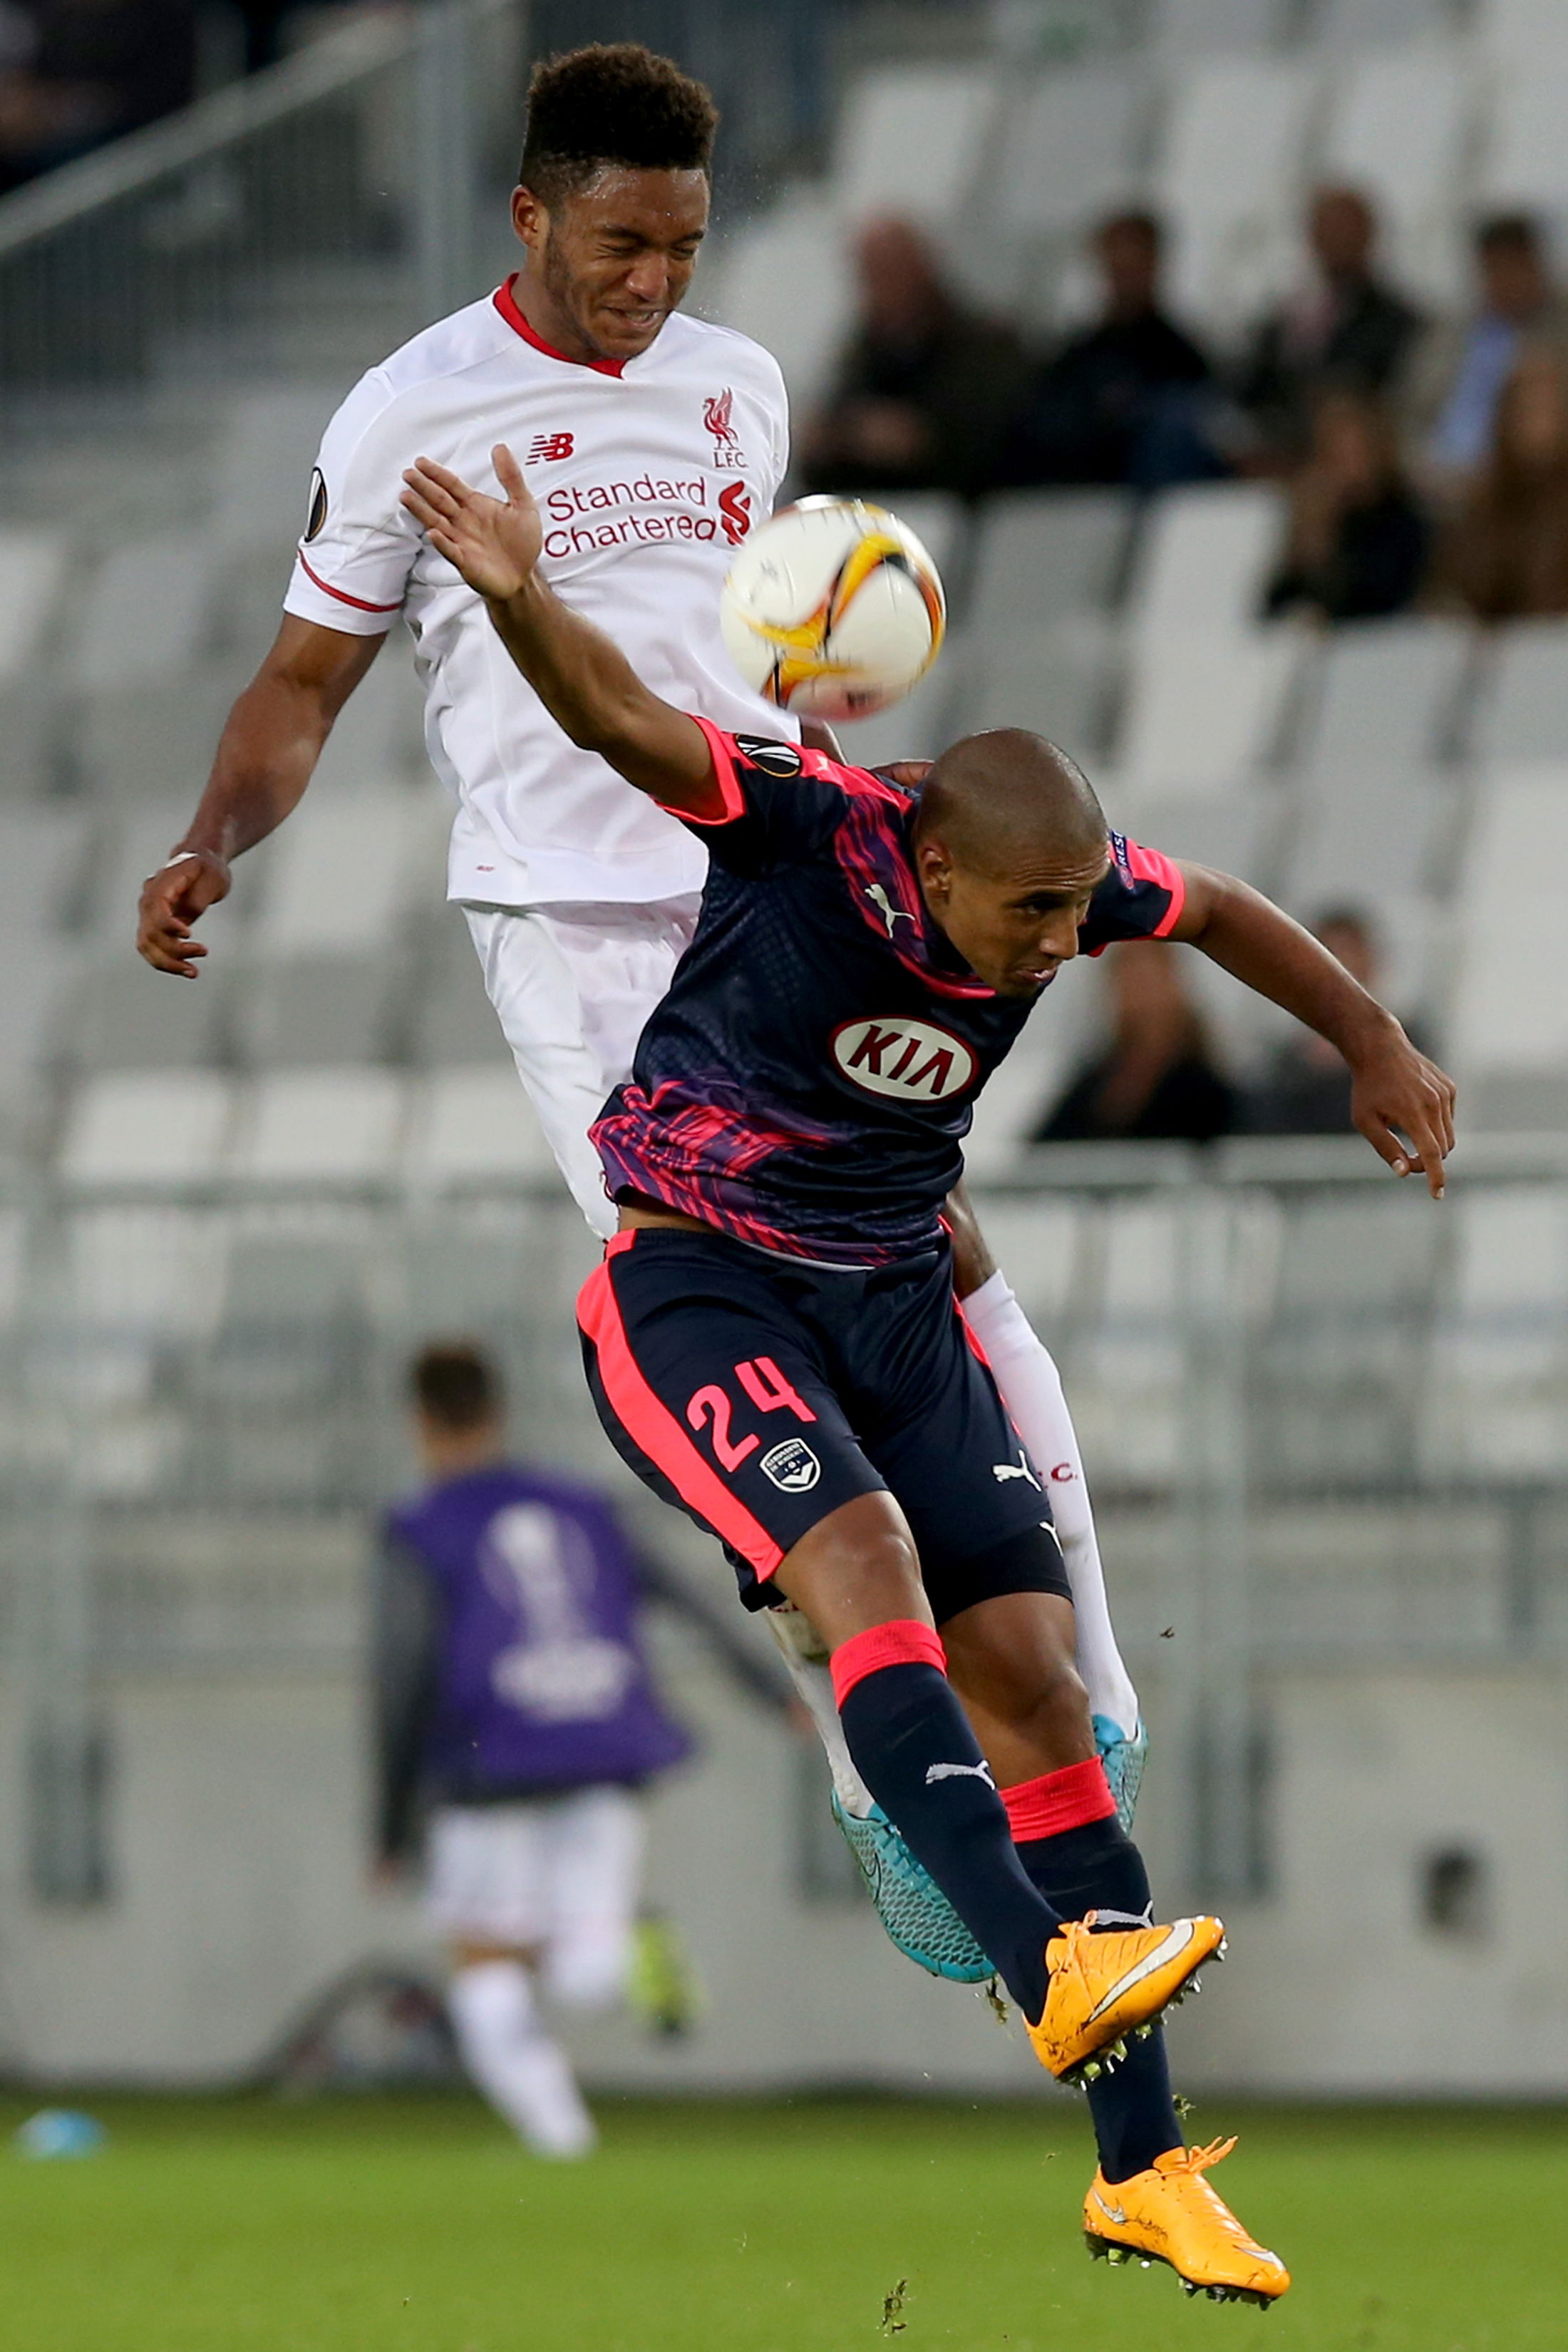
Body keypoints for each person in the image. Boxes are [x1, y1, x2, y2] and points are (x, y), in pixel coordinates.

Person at [396, 436, 1456, 2301]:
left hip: (889, 1304)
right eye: (1033, 918)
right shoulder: (807, 834)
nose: (1065, 947)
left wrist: (1370, 1036)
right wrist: (515, 591)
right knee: (867, 1566)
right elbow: (634, 725)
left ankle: (1143, 2174)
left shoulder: (1067, 883)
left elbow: (1208, 906)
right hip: (696, 1291)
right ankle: (1043, 1960)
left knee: (1040, 1678)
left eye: (1072, 914)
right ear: (937, 858)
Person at [135, 40, 1147, 1993]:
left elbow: (749, 658)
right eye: (619, 243)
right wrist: (211, 837)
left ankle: (1090, 1686)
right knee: (727, 1284)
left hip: (756, 873)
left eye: (681, 246)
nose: (654, 283)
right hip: (573, 923)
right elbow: (297, 688)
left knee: (937, 1243)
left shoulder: (740, 385)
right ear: (529, 213)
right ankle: (865, 1737)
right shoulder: (415, 406)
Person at [376, 1340, 787, 2155]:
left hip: (484, 1761)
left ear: (420, 1422)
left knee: (488, 1971)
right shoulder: (584, 1507)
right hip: (603, 1747)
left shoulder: (419, 1527)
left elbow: (403, 1671)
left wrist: (389, 1825)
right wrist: (770, 1692)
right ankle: (614, 1962)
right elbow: (688, 1596)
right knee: (584, 1975)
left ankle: (560, 2137)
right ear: (498, 1411)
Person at [798, 216, 1031, 500]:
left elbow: (1000, 439)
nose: (881, 286)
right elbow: (824, 448)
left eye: (891, 268)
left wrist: (922, 441)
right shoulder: (861, 353)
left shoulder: (986, 345)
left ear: (923, 267)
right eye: (871, 273)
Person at [1008, 210, 1215, 490]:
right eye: (1116, 267)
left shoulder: (1181, 355)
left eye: (1133, 266)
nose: (1124, 279)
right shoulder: (1076, 358)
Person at [1236, 185, 1423, 470]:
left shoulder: (1398, 321)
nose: (1337, 239)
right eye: (1327, 229)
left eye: (1346, 229)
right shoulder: (1284, 319)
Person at [1408, 212, 1568, 496]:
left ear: (1535, 265)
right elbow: (1410, 404)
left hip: (1526, 483)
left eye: (1514, 267)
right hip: (1434, 479)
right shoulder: (1452, 331)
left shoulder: (1558, 332)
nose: (1505, 281)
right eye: (1495, 269)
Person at [1036, 941, 1236, 1144]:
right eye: (1126, 971)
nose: (1136, 985)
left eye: (1148, 974)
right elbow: (1046, 1152)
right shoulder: (1096, 1078)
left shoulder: (1205, 1082)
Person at [1264, 388, 1428, 624]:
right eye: (1337, 453)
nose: (1349, 466)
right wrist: (1314, 543)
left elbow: (1378, 600)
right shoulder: (1316, 524)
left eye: (1357, 451)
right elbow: (1276, 607)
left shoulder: (1406, 523)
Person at [0, 0, 195, 195]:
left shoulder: (162, 17)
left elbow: (145, 102)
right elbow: (35, 79)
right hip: (42, 139)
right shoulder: (59, 17)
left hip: (128, 146)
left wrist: (53, 114)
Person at [1432, 347, 1568, 622]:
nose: (1537, 423)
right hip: (1504, 655)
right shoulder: (1485, 504)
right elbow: (1456, 590)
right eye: (1526, 410)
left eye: (1547, 409)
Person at [1243, 910, 1408, 1136]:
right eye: (1330, 956)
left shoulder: (1405, 1053)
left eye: (1349, 955)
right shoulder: (1283, 1066)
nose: (1342, 970)